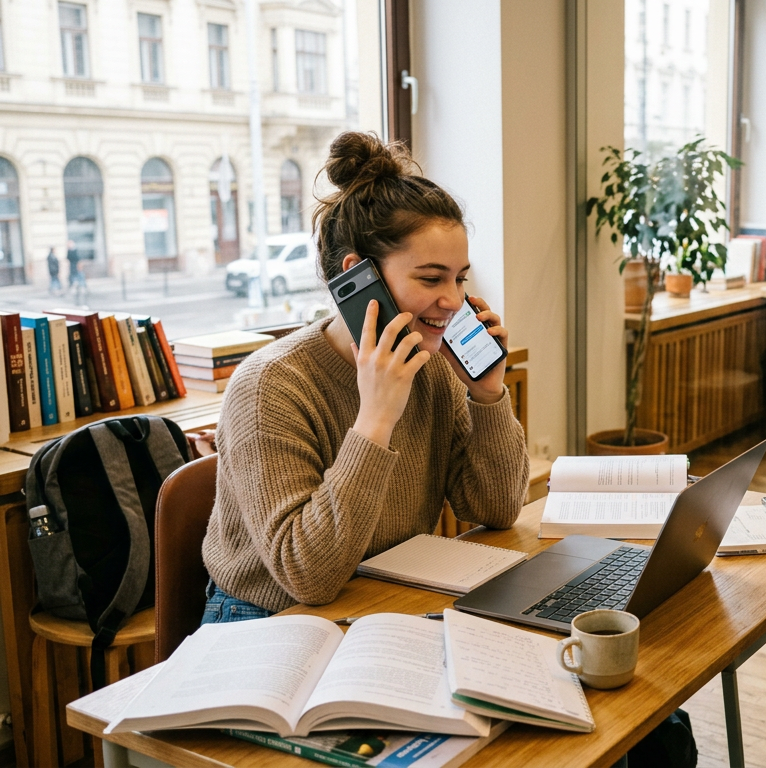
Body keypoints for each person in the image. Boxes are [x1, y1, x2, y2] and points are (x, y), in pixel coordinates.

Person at [200, 132, 530, 623]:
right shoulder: (270, 386)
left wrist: (487, 395)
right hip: (268, 618)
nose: (454, 301)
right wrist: (375, 417)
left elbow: (495, 509)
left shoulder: (431, 365)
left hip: (385, 598)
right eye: (431, 278)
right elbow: (308, 577)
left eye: (459, 278)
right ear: (359, 274)